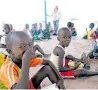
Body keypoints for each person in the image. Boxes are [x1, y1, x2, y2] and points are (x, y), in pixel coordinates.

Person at [0, 31, 65, 89]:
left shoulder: (23, 58)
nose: (29, 50)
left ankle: (60, 87)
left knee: (47, 69)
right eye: (22, 46)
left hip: (26, 86)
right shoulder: (8, 69)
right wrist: (26, 61)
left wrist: (60, 79)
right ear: (10, 51)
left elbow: (48, 62)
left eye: (30, 45)